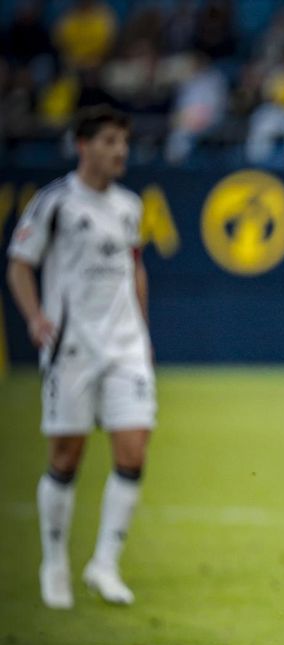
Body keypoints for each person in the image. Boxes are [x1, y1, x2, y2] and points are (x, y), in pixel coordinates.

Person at [7, 106, 151, 609]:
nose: (121, 151)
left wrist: (143, 333)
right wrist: (34, 317)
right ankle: (54, 562)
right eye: (111, 141)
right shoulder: (55, 203)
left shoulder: (130, 206)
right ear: (83, 145)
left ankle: (105, 565)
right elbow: (20, 265)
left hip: (125, 348)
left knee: (133, 451)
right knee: (66, 456)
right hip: (71, 347)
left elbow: (135, 270)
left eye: (124, 142)